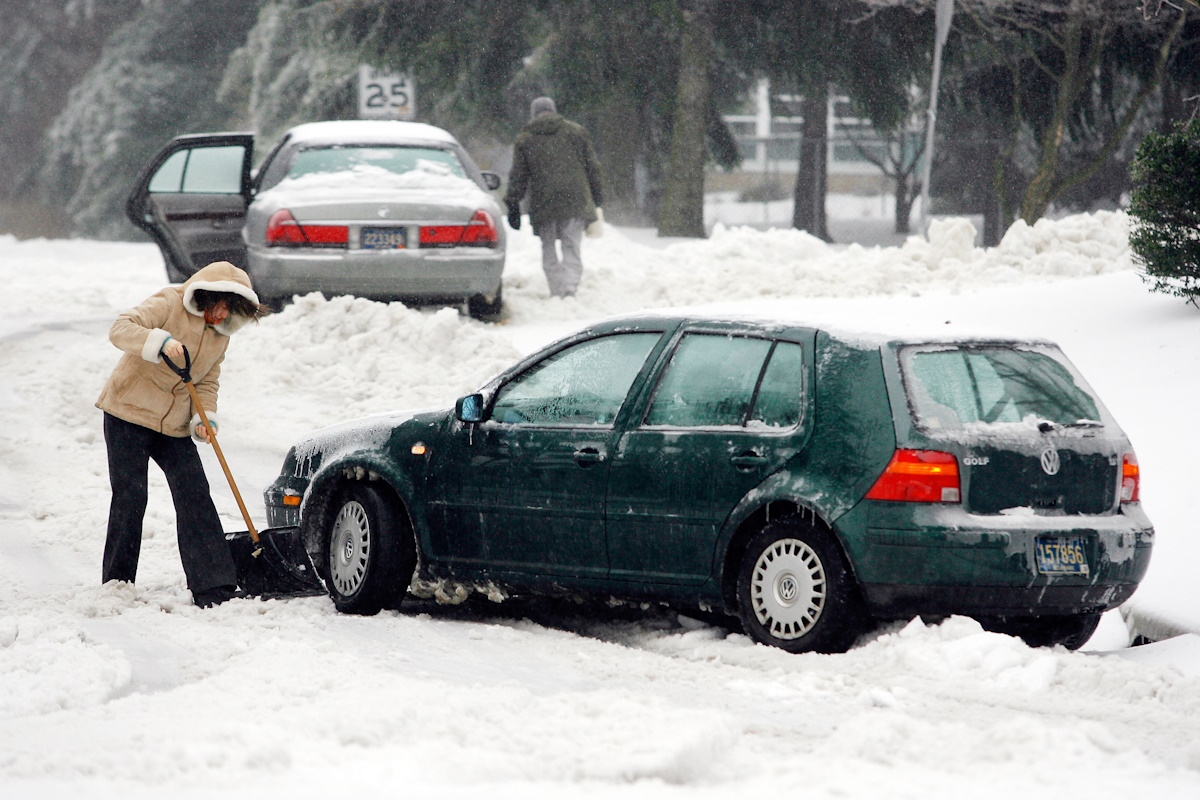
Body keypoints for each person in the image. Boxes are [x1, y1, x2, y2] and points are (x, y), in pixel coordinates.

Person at [96, 260, 267, 608]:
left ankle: (213, 586)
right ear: (206, 295)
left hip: (171, 425)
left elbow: (206, 379)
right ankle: (118, 581)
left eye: (231, 311)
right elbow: (120, 328)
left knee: (194, 493)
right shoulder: (170, 302)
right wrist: (158, 341)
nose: (222, 316)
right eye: (220, 306)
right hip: (127, 412)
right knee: (131, 496)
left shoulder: (221, 335)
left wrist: (205, 418)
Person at [504, 96, 604, 298]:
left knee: (548, 247)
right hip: (575, 199)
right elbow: (593, 167)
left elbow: (518, 176)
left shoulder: (525, 138)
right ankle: (569, 289)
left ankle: (556, 290)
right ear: (554, 110)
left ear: (534, 114)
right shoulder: (576, 132)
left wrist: (513, 202)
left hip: (543, 202)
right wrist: (597, 195)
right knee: (571, 246)